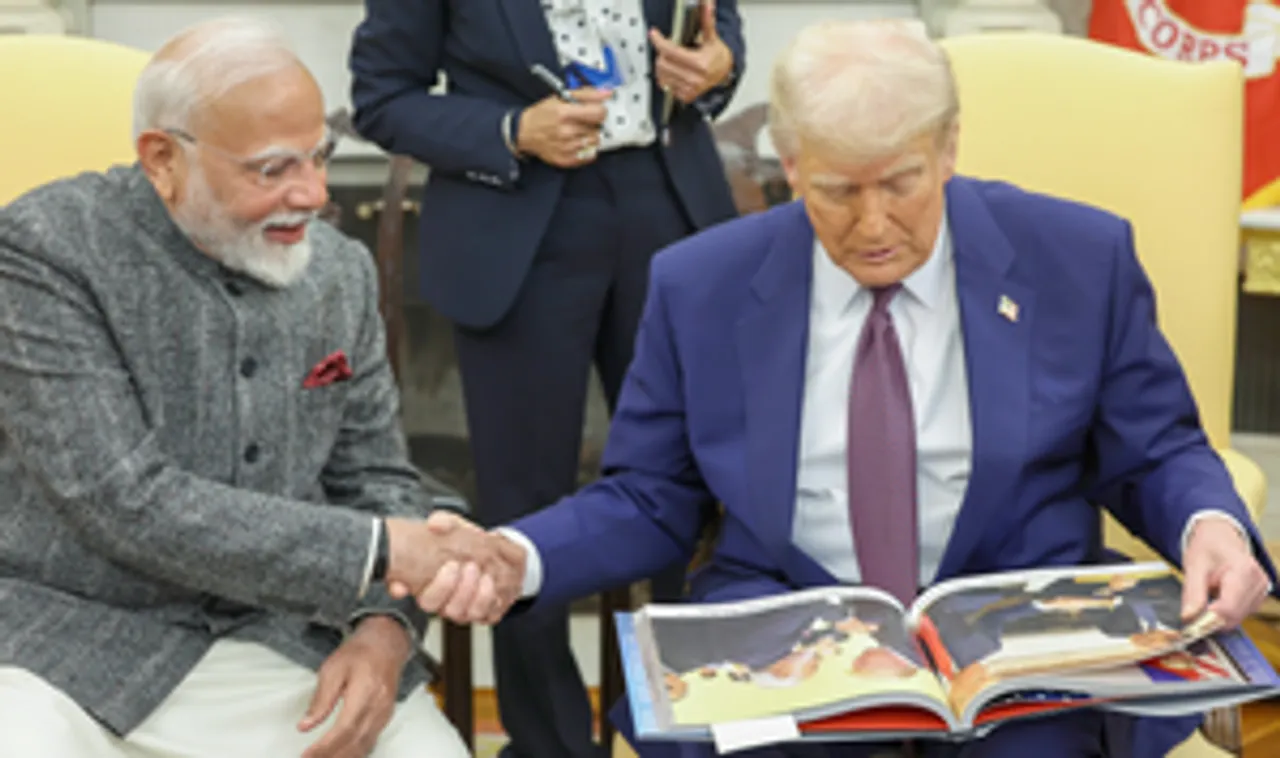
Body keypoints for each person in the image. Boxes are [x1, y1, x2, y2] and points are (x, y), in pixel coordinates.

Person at [396, 17, 1276, 758]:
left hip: (1024, 653)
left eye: (901, 183)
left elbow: (1158, 449)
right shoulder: (701, 283)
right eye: (836, 191)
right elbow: (650, 496)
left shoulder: (1076, 258)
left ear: (949, 149)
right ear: (788, 162)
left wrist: (1212, 528)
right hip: (790, 646)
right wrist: (519, 555)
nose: (875, 224)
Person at [0, 17, 522, 758]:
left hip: (280, 640)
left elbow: (378, 480)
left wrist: (382, 634)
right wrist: (382, 551)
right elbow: (121, 500)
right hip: (68, 645)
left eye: (320, 156)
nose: (313, 194)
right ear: (162, 159)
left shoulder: (339, 274)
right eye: (272, 169)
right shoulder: (43, 253)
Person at [347, 0, 746, 754]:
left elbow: (717, 26)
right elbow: (382, 95)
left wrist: (716, 71)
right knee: (522, 503)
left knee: (693, 488)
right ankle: (547, 742)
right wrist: (509, 131)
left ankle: (683, 730)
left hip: (670, 202)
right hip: (518, 218)